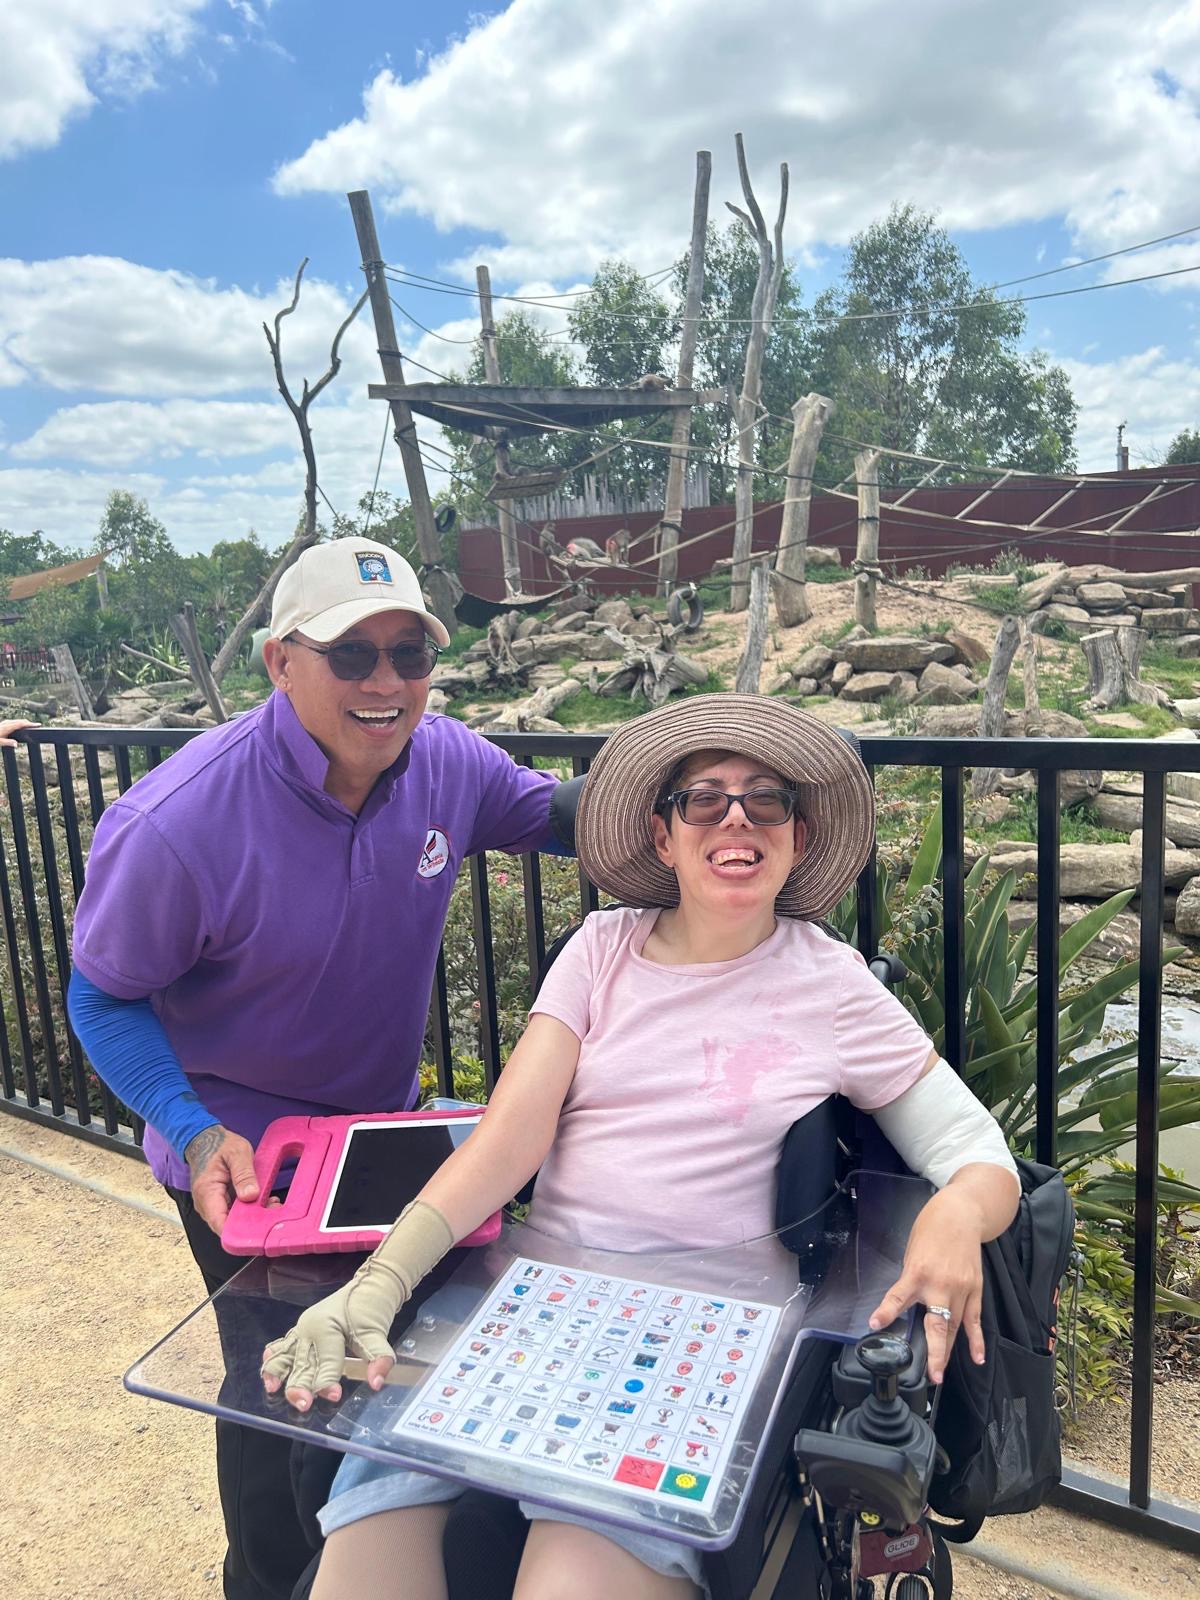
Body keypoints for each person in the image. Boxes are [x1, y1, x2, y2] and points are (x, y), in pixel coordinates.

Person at [261, 692, 1021, 1600]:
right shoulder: (600, 949)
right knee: (363, 1558)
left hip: (700, 1334)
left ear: (798, 836)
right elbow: (506, 1144)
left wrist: (953, 1217)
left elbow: (979, 1154)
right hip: (540, 1303)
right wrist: (380, 1281)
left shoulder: (835, 985)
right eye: (704, 799)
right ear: (664, 839)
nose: (735, 819)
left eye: (765, 800)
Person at [66, 537, 579, 1600]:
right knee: (279, 1387)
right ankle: (260, 1583)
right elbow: (101, 993)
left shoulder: (446, 760)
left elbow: (563, 816)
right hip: (244, 1151)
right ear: (279, 661)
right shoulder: (174, 824)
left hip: (382, 1130)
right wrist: (192, 1125)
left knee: (378, 1364)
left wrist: (717, 791)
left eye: (409, 653)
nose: (387, 682)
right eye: (352, 655)